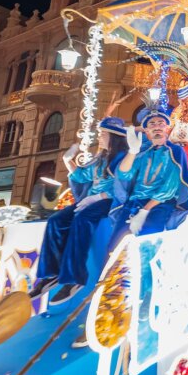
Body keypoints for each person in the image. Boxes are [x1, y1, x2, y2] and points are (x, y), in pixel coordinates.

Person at [30, 117, 128, 304]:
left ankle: (75, 278)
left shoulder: (123, 158)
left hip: (111, 200)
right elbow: (82, 176)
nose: (99, 137)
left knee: (82, 219)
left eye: (103, 133)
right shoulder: (100, 158)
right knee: (56, 221)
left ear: (114, 136)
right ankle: (51, 273)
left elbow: (124, 185)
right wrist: (68, 160)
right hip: (91, 200)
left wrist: (99, 197)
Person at [110, 110, 188, 247]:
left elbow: (169, 188)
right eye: (152, 124)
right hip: (135, 202)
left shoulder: (175, 151)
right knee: (116, 244)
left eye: (161, 123)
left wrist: (144, 211)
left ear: (167, 129)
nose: (157, 126)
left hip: (160, 203)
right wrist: (132, 151)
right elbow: (124, 174)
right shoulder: (142, 153)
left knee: (147, 240)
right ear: (147, 131)